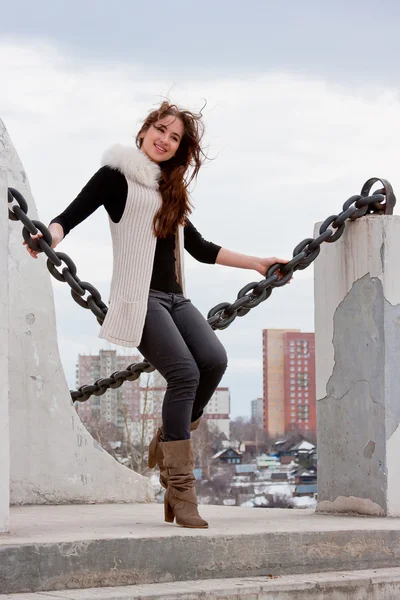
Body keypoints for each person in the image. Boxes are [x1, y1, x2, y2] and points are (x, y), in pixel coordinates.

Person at [24, 101, 290, 529]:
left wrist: (257, 263)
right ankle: (180, 490)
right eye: (160, 130)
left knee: (215, 360)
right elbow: (68, 217)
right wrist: (46, 235)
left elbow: (199, 248)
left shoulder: (171, 190)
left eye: (174, 137)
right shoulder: (117, 177)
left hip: (177, 300)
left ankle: (169, 439)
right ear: (145, 129)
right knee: (184, 372)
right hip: (140, 298)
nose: (164, 140)